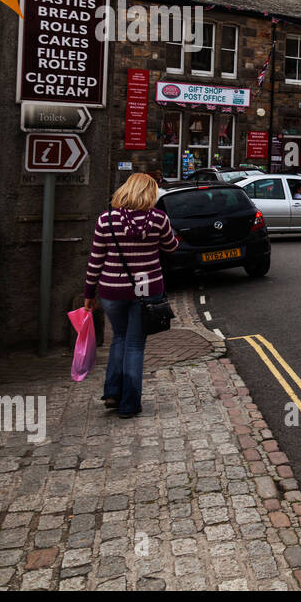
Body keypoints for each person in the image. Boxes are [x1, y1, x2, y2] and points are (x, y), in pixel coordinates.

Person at [83, 173, 179, 419]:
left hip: (111, 290)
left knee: (119, 338)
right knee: (135, 345)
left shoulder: (106, 220)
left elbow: (96, 260)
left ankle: (112, 392)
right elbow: (172, 247)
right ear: (150, 193)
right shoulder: (158, 219)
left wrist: (88, 293)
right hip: (146, 290)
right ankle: (129, 403)